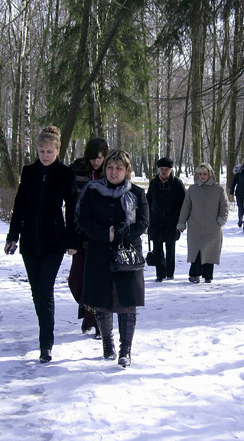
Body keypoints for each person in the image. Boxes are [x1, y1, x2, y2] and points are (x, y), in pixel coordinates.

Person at [5, 126, 78, 364]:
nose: (45, 155)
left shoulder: (65, 174)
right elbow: (19, 205)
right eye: (41, 151)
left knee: (45, 290)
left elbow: (72, 209)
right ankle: (44, 333)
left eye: (49, 151)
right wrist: (13, 235)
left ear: (57, 151)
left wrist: (72, 240)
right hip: (29, 241)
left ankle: (46, 343)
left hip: (54, 241)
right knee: (36, 291)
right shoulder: (29, 172)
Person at [77, 150, 149, 367]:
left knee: (127, 302)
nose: (114, 172)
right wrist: (103, 234)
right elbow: (84, 219)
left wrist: (117, 234)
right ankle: (107, 343)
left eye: (119, 168)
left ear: (127, 170)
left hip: (128, 253)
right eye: (110, 167)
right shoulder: (92, 191)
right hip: (99, 252)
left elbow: (143, 222)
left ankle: (125, 350)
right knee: (102, 301)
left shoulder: (136, 193)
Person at [68, 137, 109, 337]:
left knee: (98, 281)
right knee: (76, 279)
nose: (95, 162)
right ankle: (88, 311)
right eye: (92, 158)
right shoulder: (76, 171)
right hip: (80, 233)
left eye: (99, 158)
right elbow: (69, 203)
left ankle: (96, 320)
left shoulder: (110, 172)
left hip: (102, 235)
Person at [177, 162, 229, 284]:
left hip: (212, 227)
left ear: (210, 174)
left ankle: (208, 275)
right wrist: (181, 223)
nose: (202, 176)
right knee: (196, 252)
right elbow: (186, 208)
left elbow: (224, 207)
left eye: (204, 174)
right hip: (195, 226)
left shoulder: (218, 189)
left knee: (210, 251)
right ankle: (194, 275)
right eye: (200, 174)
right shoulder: (192, 189)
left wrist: (221, 220)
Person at [146, 157, 185, 282]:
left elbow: (184, 203)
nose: (163, 172)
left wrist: (181, 221)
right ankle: (160, 274)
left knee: (170, 247)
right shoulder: (154, 183)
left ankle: (170, 273)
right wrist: (146, 219)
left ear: (171, 170)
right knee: (157, 248)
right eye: (161, 169)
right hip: (155, 221)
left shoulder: (177, 183)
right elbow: (148, 201)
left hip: (172, 221)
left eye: (166, 169)